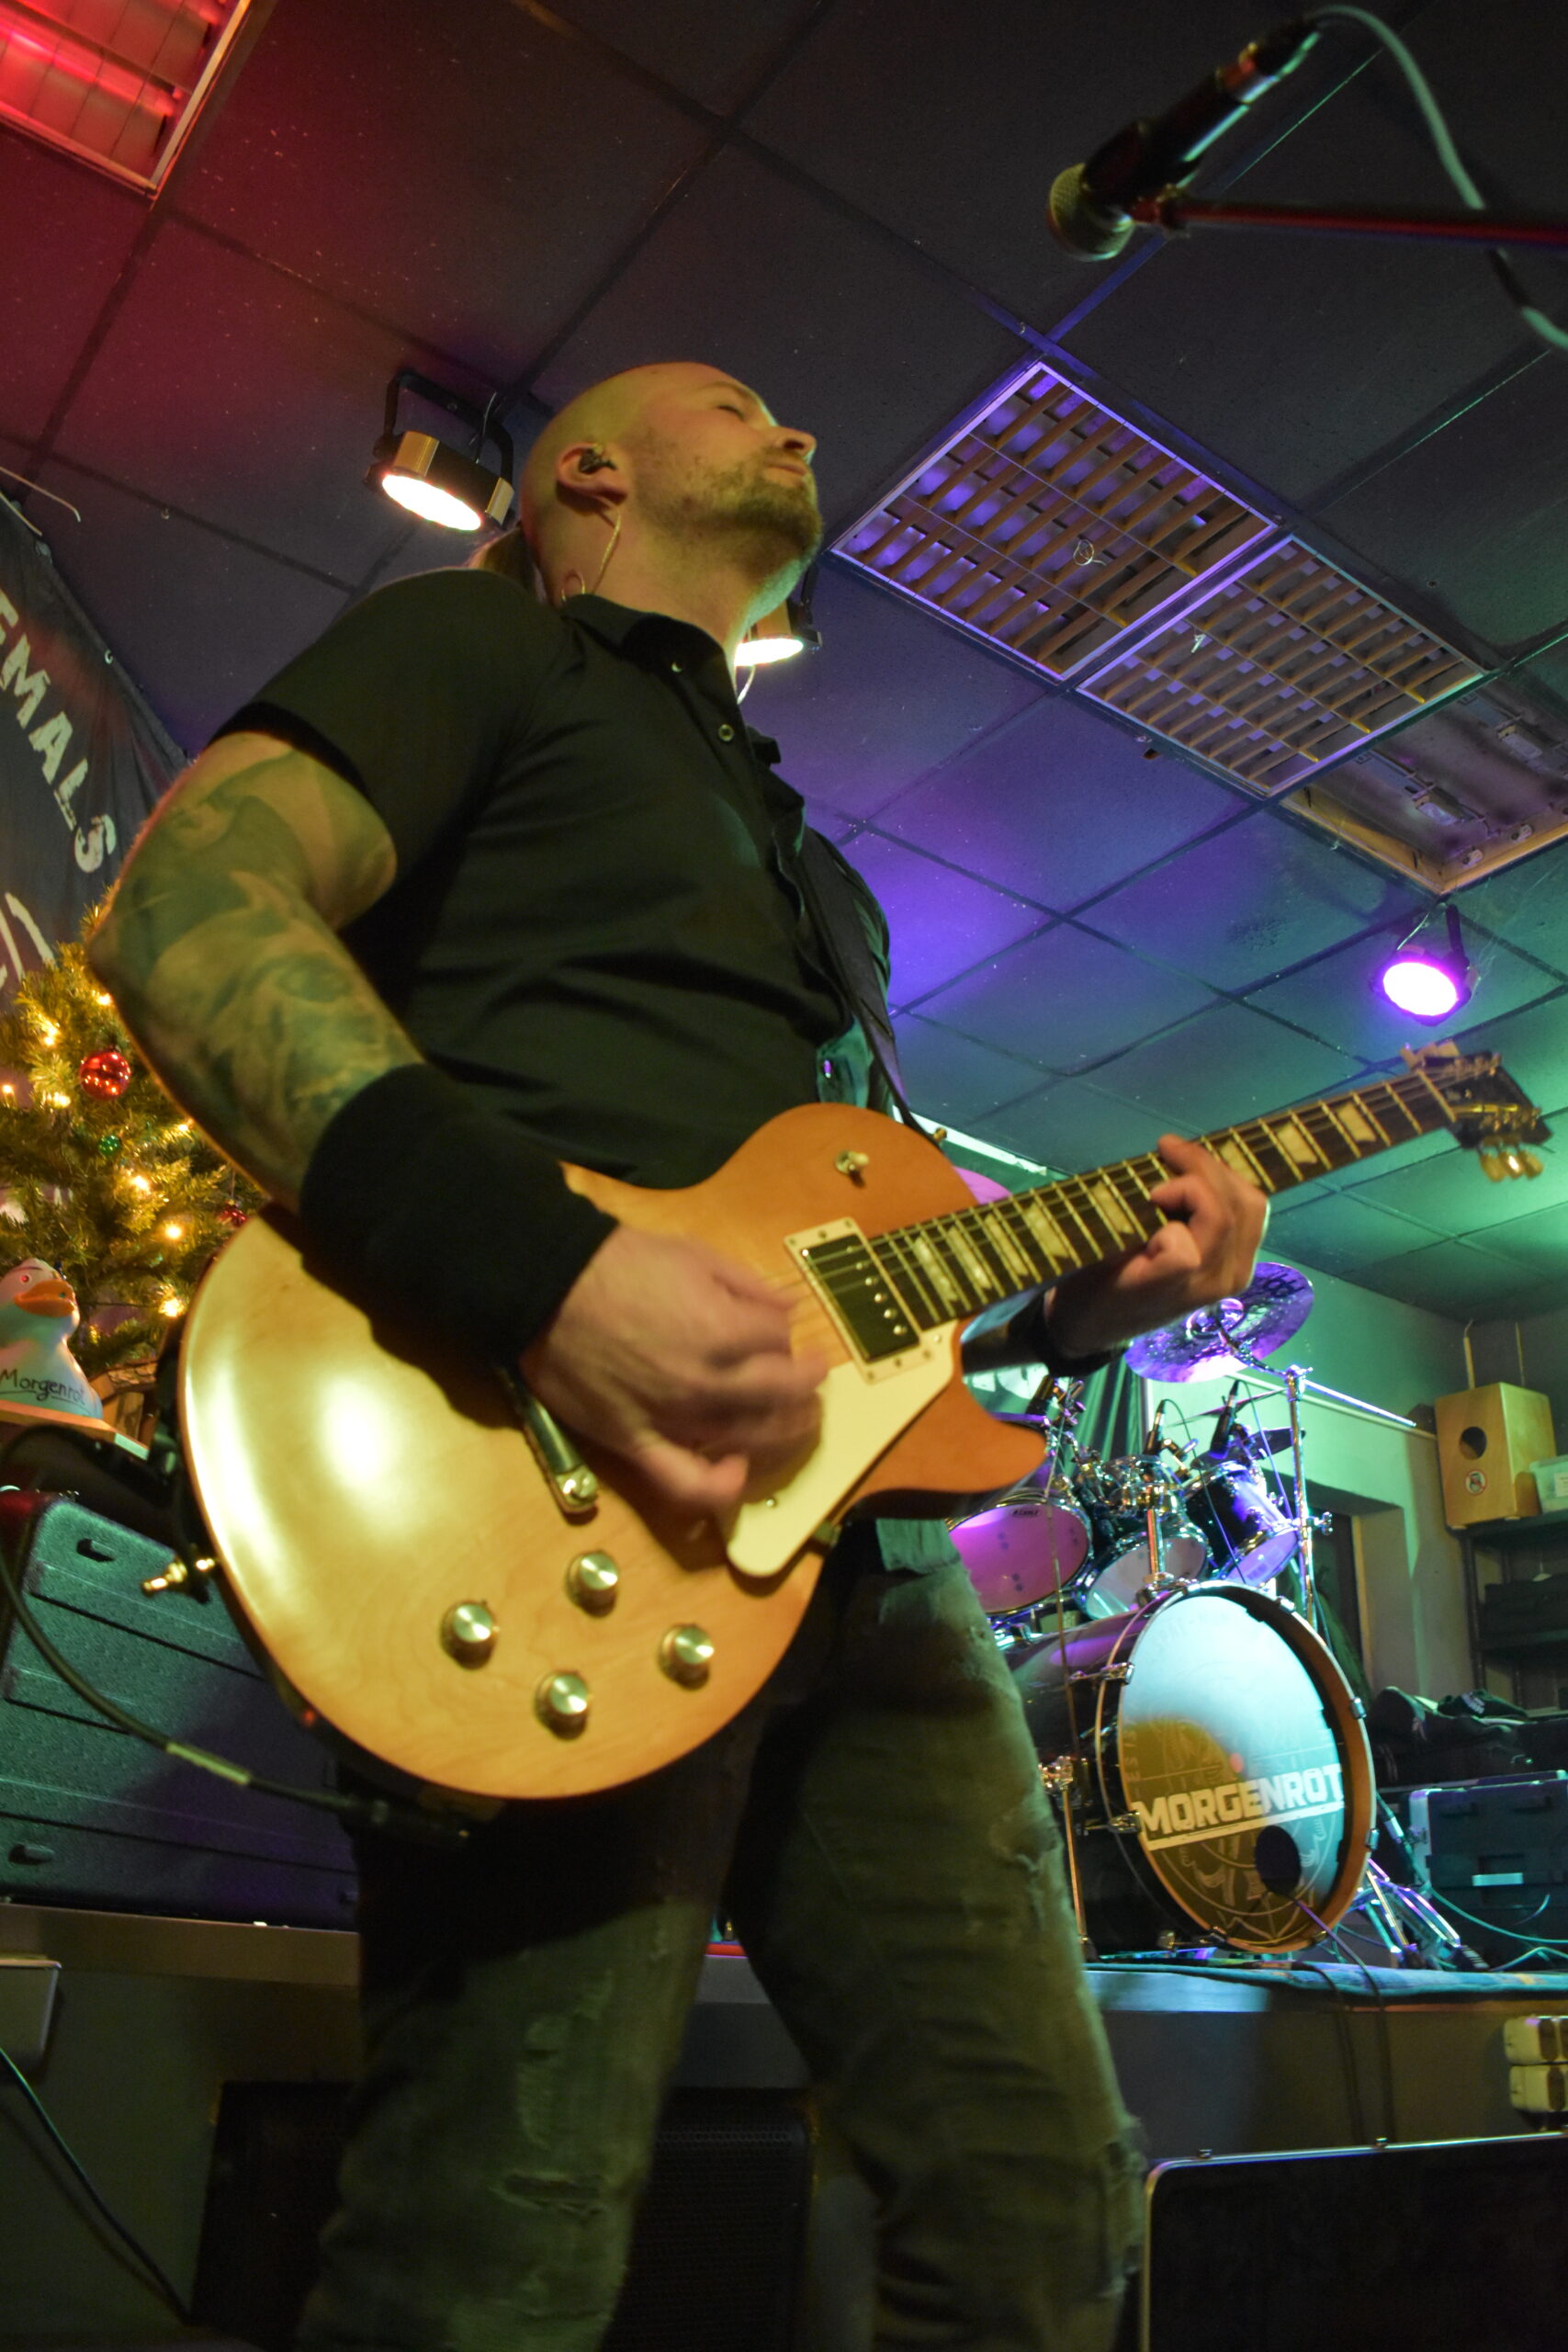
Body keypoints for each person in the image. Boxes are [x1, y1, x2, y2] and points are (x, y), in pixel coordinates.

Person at [89, 361, 1268, 2351]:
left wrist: (1077, 1311)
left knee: (1047, 2220)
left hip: (871, 1582)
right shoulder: (481, 645)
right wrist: (553, 1276)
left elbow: (853, 1287)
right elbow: (190, 908)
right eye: (731, 399)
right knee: (494, 2249)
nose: (794, 424)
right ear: (588, 473)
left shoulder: (819, 879)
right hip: (562, 1504)